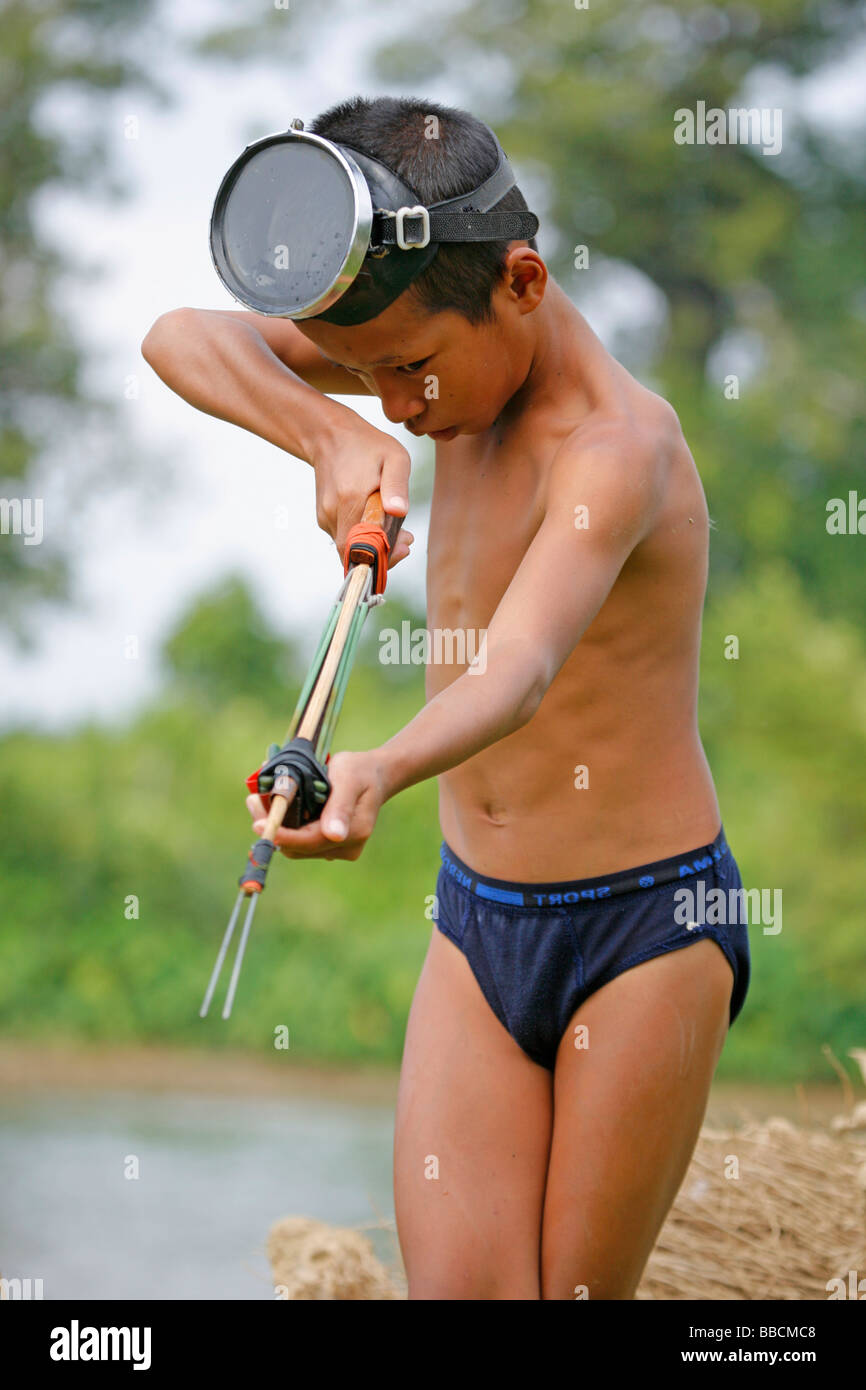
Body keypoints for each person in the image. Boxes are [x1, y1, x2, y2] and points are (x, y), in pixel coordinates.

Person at [142, 94, 750, 1300]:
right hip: (477, 923)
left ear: (519, 282)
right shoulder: (434, 361)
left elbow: (515, 671)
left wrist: (371, 767)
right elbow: (174, 335)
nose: (401, 410)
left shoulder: (615, 446)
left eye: (407, 373)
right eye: (368, 378)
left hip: (643, 927)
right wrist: (322, 431)